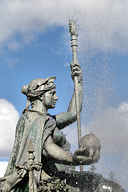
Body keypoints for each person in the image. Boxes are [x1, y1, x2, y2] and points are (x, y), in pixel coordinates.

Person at [0, 62, 100, 192]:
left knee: (95, 180)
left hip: (60, 177)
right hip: (47, 182)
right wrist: (74, 159)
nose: (56, 98)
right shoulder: (33, 120)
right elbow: (48, 149)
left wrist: (79, 83)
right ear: (41, 96)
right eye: (52, 93)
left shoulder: (47, 120)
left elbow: (73, 114)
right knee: (97, 183)